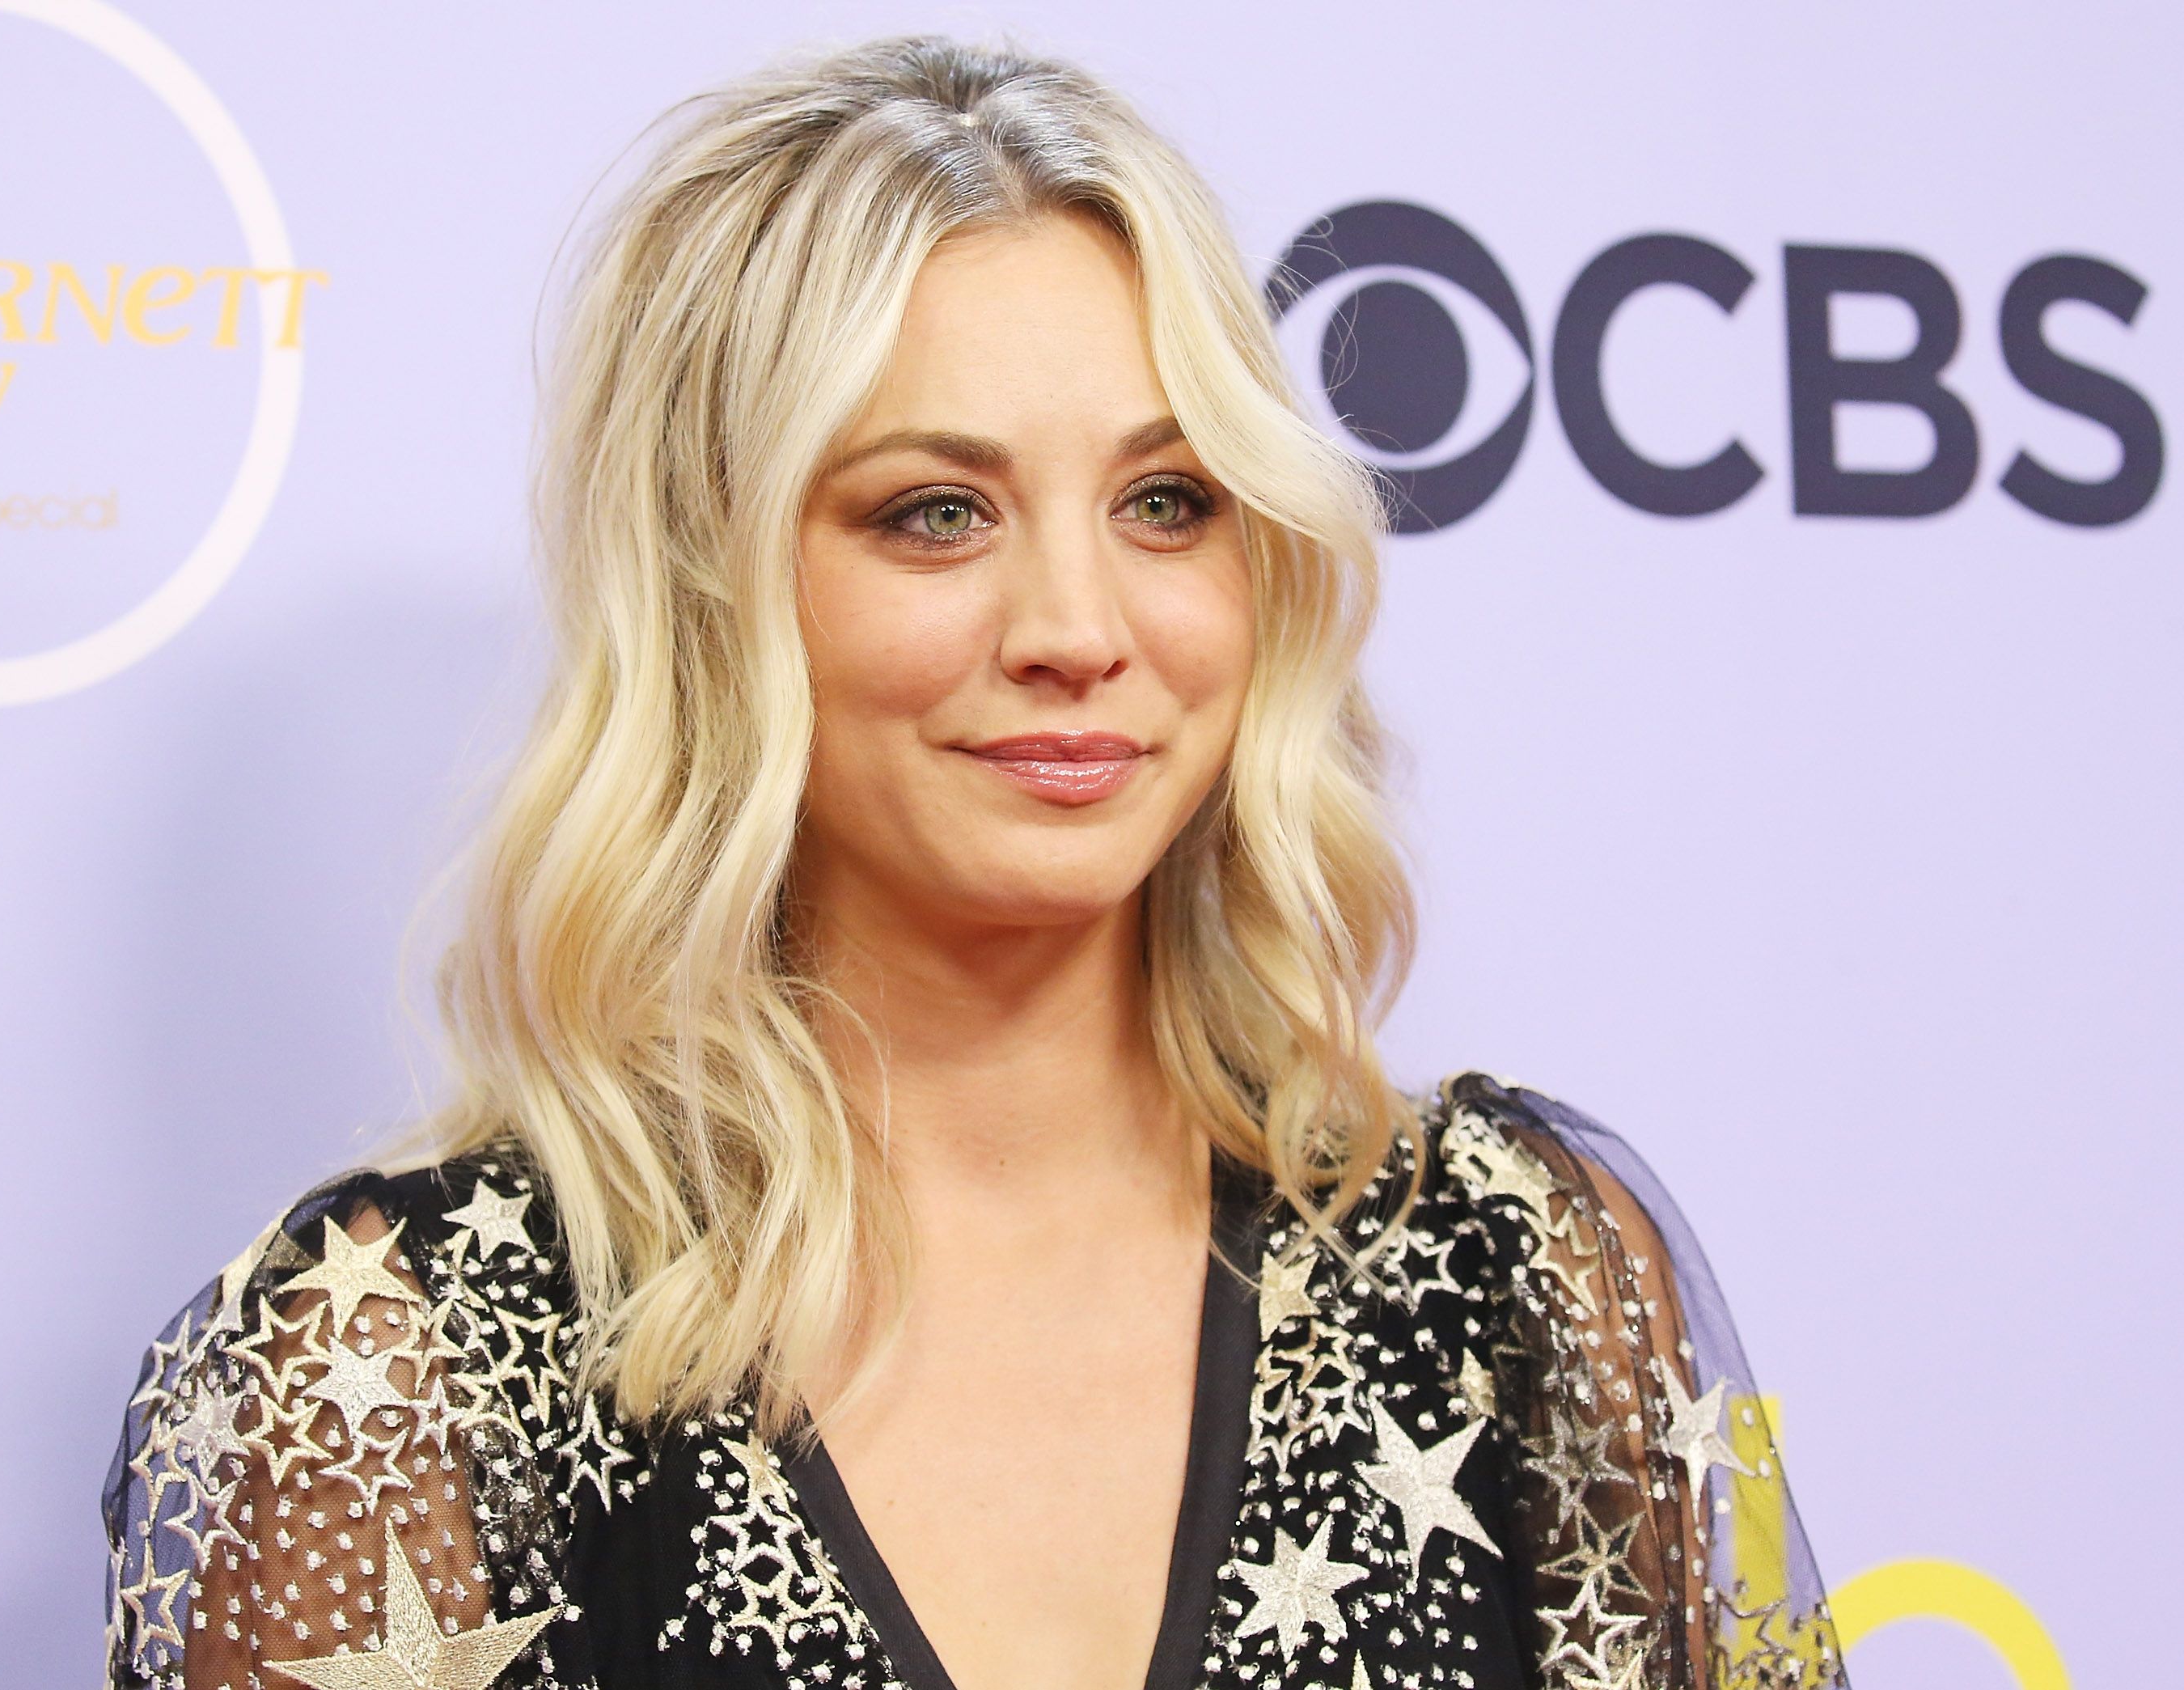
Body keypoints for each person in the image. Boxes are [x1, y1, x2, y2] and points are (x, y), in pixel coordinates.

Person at [104, 34, 1846, 1690]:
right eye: (938, 511)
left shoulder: (1514, 1259)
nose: (1079, 628)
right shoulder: (410, 1360)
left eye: (1168, 503)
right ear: (715, 586)